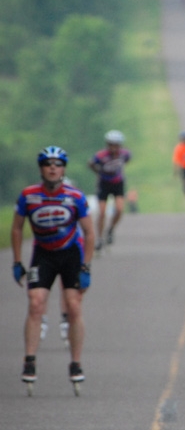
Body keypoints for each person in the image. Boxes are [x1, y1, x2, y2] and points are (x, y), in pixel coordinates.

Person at [11, 146, 95, 390]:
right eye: (47, 164)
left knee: (73, 306)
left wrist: (86, 267)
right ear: (41, 168)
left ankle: (76, 362)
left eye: (57, 164)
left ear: (63, 169)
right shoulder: (28, 196)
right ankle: (29, 360)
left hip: (71, 254)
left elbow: (89, 232)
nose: (52, 168)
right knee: (36, 302)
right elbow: (17, 228)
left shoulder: (75, 196)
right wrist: (17, 261)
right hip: (44, 254)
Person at [89, 129, 131, 250]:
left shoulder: (124, 154)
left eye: (116, 145)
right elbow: (90, 163)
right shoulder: (101, 155)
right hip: (104, 184)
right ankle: (99, 239)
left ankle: (111, 229)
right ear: (107, 144)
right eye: (111, 144)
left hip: (118, 183)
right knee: (102, 213)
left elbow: (127, 160)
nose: (114, 147)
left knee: (119, 209)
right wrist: (99, 172)